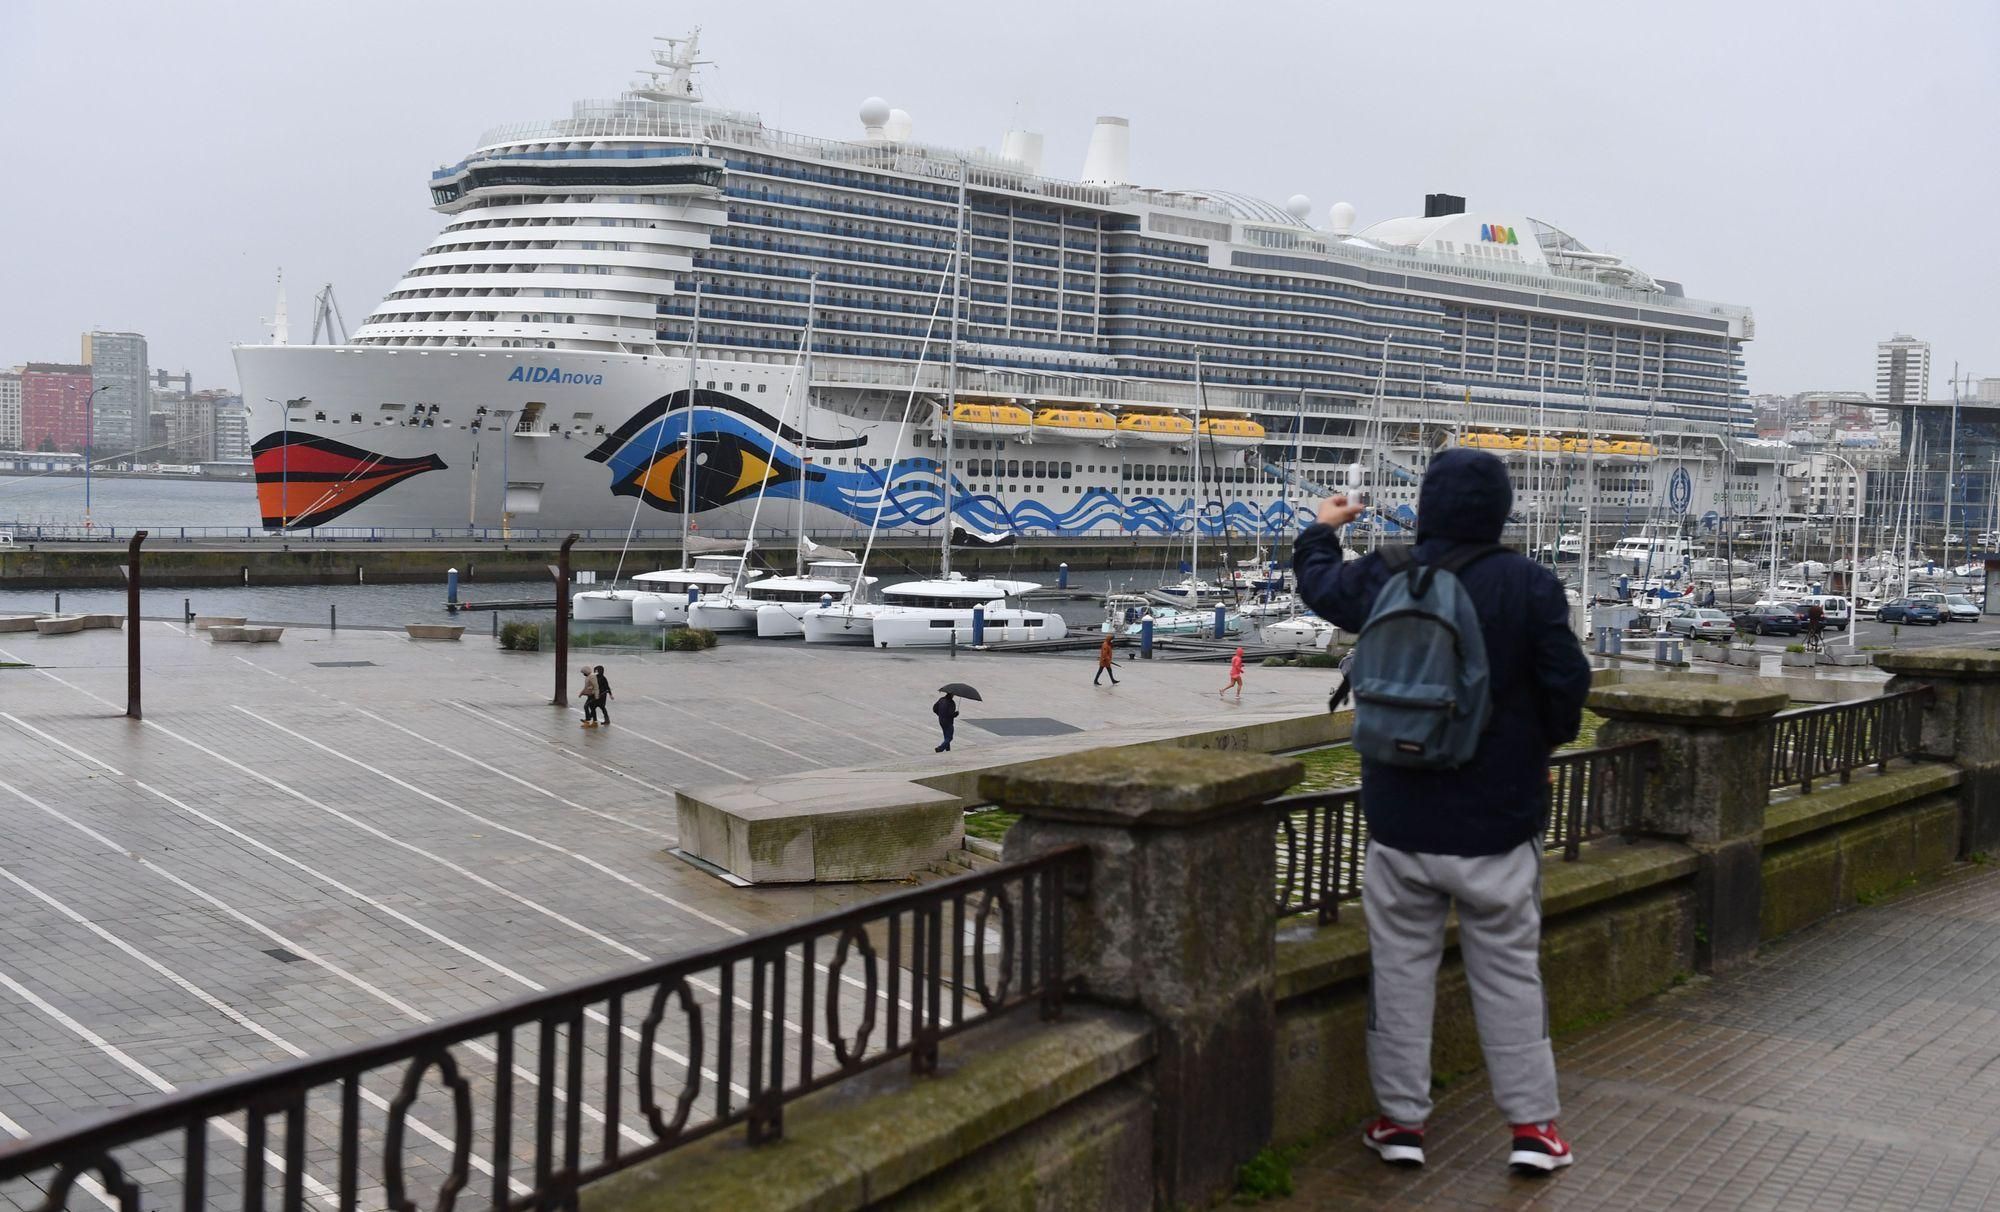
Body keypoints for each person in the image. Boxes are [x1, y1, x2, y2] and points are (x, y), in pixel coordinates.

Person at [1293, 448, 1592, 1176]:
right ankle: (1533, 1130)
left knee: (1399, 973)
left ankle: (1400, 1123)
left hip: (1399, 819)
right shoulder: (1530, 585)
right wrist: (1532, 749)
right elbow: (1565, 691)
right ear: (1500, 511)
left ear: (1426, 505)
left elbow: (1320, 589)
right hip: (1496, 822)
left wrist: (1320, 527)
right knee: (1509, 973)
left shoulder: (1388, 571)